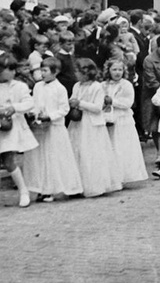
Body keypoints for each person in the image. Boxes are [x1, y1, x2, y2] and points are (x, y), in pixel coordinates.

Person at [24, 57, 83, 202]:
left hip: (54, 129)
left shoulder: (60, 88)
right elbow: (34, 103)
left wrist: (50, 116)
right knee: (40, 158)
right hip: (40, 128)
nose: (42, 74)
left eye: (45, 71)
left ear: (55, 72)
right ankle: (42, 189)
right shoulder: (38, 87)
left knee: (54, 158)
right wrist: (33, 113)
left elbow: (64, 109)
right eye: (41, 70)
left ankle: (55, 188)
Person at [67, 58, 123, 197]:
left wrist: (80, 103)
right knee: (77, 151)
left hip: (91, 125)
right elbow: (73, 98)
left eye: (78, 71)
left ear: (86, 72)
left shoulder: (97, 87)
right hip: (77, 123)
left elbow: (98, 108)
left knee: (92, 153)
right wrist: (72, 103)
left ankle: (95, 185)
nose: (76, 74)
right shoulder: (77, 86)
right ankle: (77, 185)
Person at [101, 58, 148, 185]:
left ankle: (124, 176)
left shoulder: (126, 85)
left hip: (122, 119)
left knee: (122, 147)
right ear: (108, 70)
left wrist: (112, 101)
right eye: (114, 69)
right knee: (110, 146)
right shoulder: (103, 85)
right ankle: (112, 176)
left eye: (120, 70)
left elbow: (128, 103)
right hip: (107, 118)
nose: (117, 72)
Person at [0, 53, 39, 207]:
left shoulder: (20, 86)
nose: (12, 72)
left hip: (12, 128)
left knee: (9, 160)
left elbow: (29, 103)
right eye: (7, 69)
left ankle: (24, 191)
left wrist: (14, 108)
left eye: (13, 69)